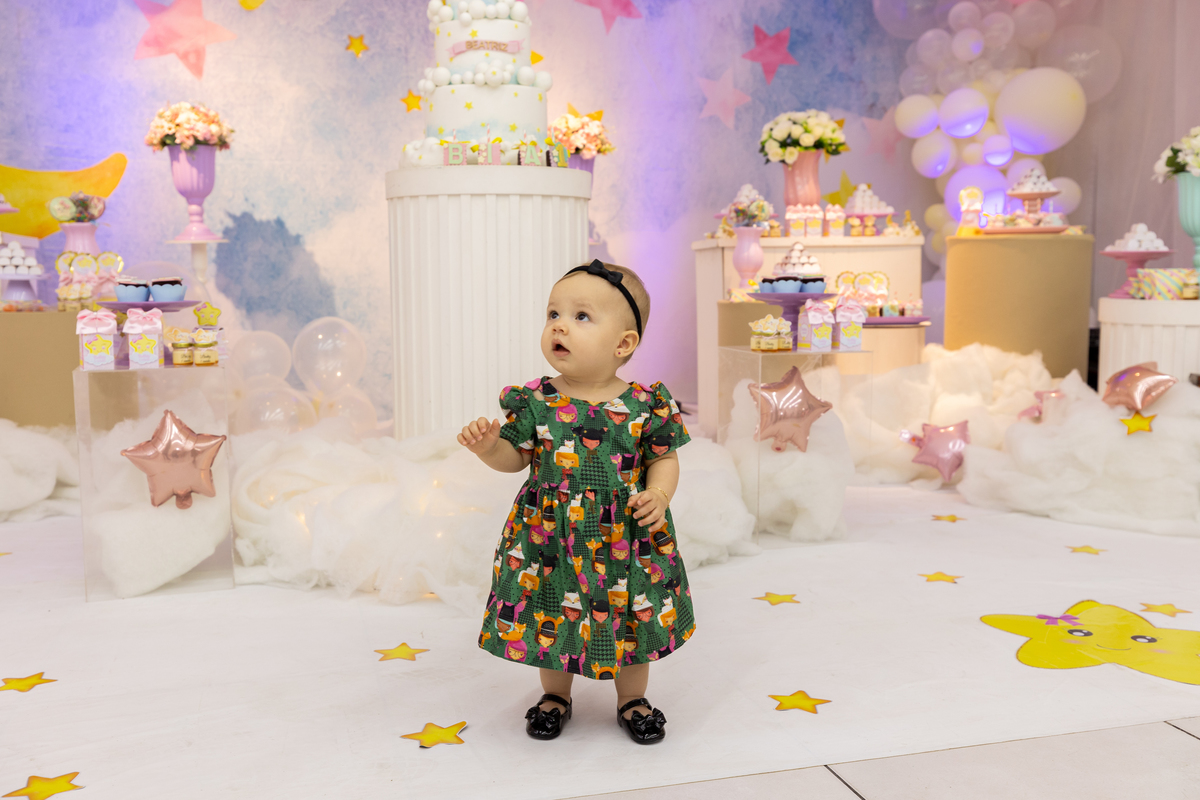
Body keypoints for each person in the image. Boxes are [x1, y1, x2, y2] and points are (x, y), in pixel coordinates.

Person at [458, 260, 695, 745]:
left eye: (581, 316)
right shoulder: (536, 401)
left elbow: (663, 458)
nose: (559, 326)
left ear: (623, 344)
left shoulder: (645, 404)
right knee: (552, 611)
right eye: (553, 314)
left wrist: (658, 493)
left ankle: (632, 699)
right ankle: (555, 696)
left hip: (625, 540)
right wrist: (489, 448)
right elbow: (516, 458)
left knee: (632, 616)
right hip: (550, 539)